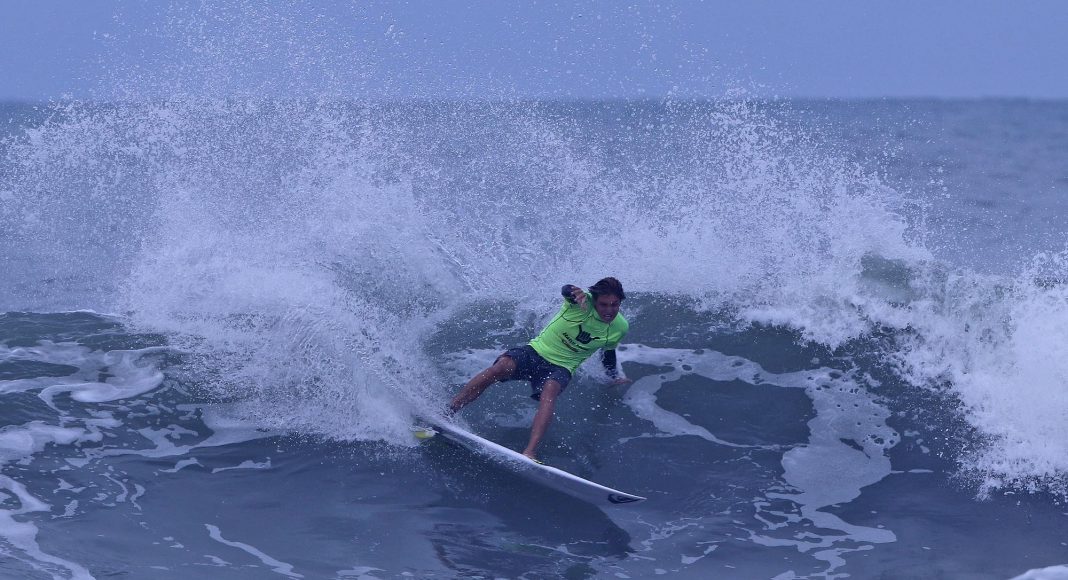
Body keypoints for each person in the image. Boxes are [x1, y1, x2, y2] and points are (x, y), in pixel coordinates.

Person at [448, 277, 631, 461]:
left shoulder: (620, 327)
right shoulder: (581, 303)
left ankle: (530, 451)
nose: (609, 310)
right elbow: (566, 290)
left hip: (562, 367)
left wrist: (613, 376)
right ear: (595, 300)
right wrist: (572, 291)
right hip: (535, 351)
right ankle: (449, 411)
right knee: (500, 367)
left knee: (550, 390)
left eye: (614, 305)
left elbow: (608, 352)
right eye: (604, 304)